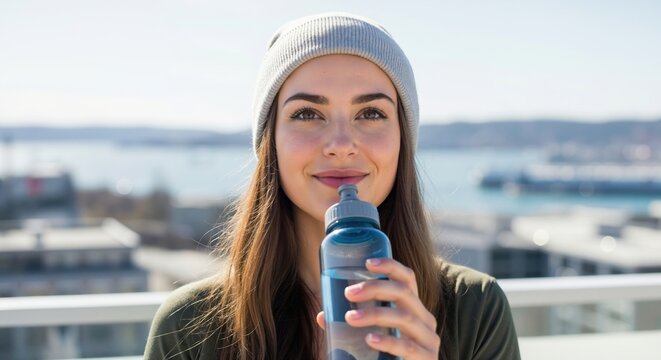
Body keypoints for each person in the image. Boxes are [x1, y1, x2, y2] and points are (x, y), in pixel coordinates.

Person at [144, 12, 520, 360]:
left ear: (403, 139)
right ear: (269, 142)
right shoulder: (188, 327)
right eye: (307, 113)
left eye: (371, 113)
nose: (341, 144)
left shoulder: (475, 309)